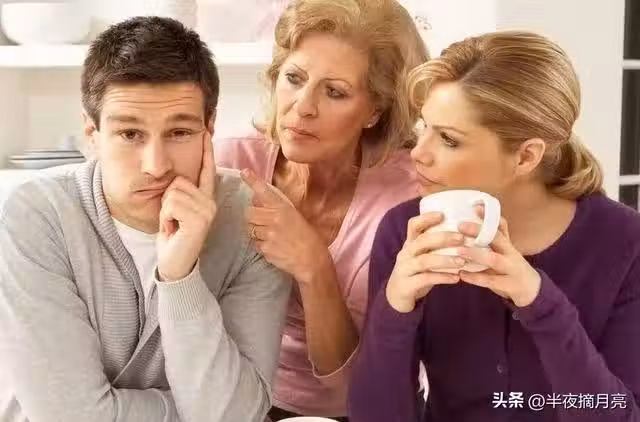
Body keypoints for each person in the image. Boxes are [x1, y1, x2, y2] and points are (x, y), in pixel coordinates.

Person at [0, 16, 291, 422]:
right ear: (91, 132)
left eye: (179, 133)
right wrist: (190, 411)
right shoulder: (37, 215)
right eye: (130, 134)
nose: (156, 166)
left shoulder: (254, 218)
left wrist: (180, 278)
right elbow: (69, 416)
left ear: (209, 129)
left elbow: (235, 415)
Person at [348, 30, 640, 422]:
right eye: (424, 127)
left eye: (449, 139)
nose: (418, 153)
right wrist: (395, 307)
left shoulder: (625, 243)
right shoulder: (405, 231)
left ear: (526, 157)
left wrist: (539, 303)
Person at [214, 0, 429, 419]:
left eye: (335, 92)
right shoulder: (230, 161)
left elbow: (358, 387)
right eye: (294, 78)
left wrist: (313, 265)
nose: (303, 106)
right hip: (239, 397)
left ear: (375, 110)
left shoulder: (406, 200)